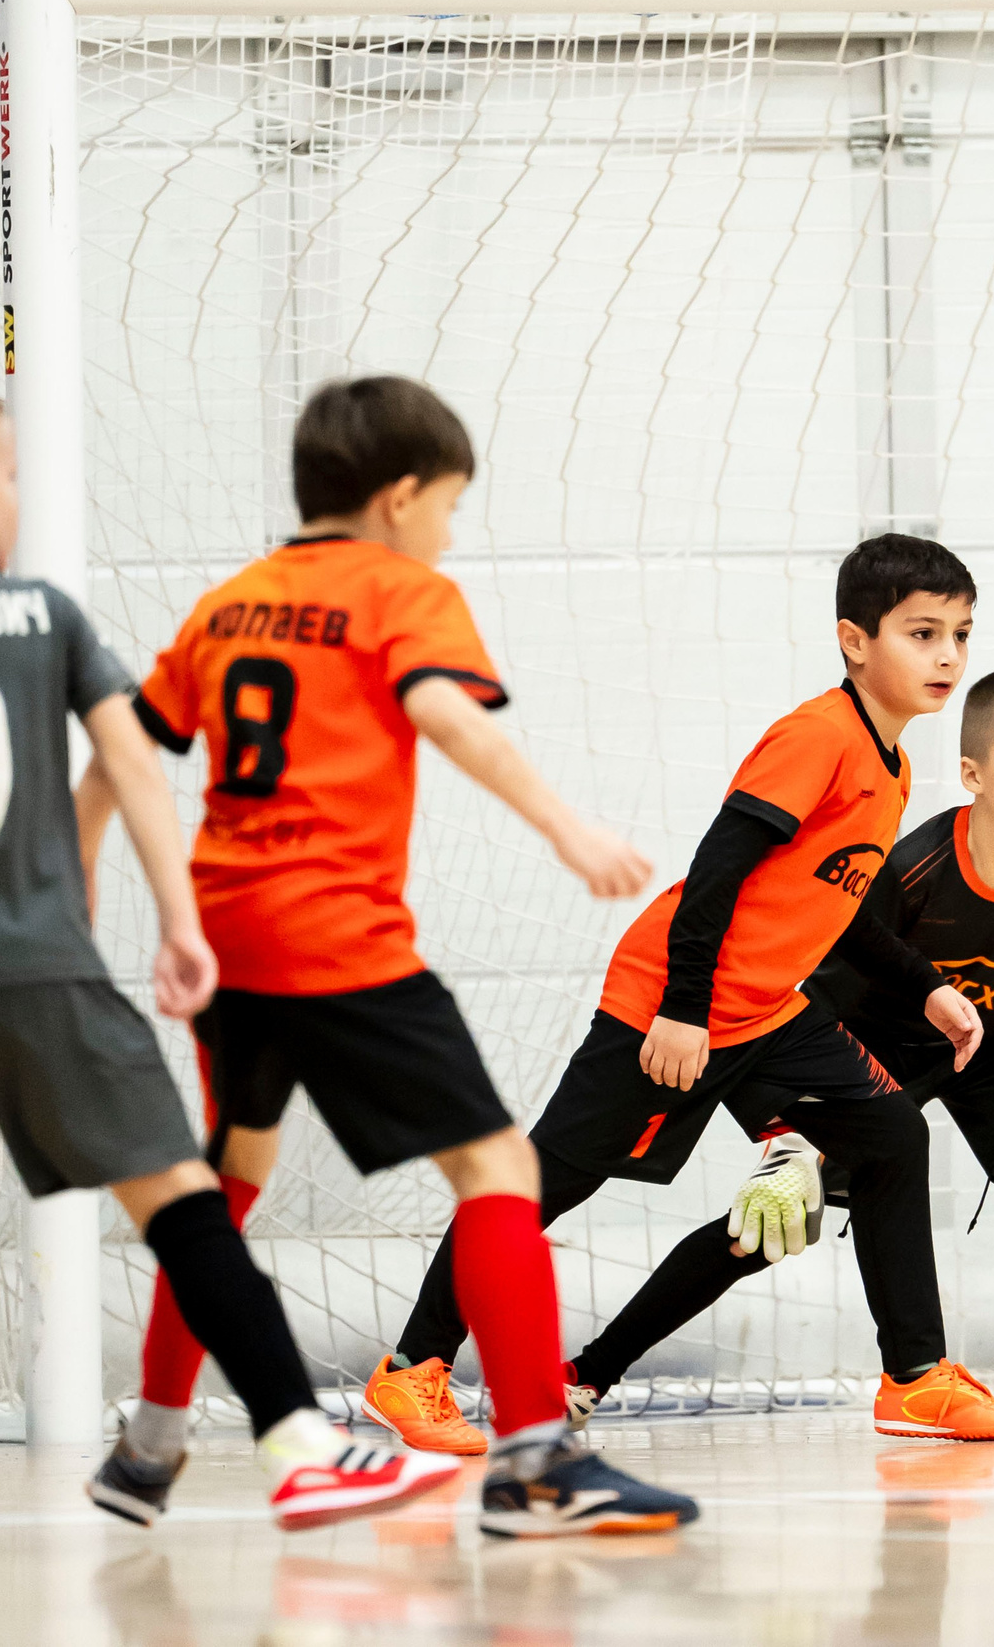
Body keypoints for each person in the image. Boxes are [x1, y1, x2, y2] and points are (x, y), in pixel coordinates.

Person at [0, 372, 457, 1552]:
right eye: (9, 477)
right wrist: (180, 921)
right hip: (44, 969)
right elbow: (134, 765)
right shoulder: (40, 615)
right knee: (181, 1205)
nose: (15, 497)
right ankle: (298, 1446)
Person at [75, 374, 697, 1538]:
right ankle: (537, 1462)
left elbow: (122, 746)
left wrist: (80, 879)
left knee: (221, 1187)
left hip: (230, 932)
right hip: (337, 937)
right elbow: (446, 715)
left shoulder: (230, 602)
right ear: (401, 498)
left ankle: (148, 1448)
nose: (450, 534)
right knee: (498, 1169)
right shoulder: (405, 589)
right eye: (450, 507)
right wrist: (569, 831)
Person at [366, 534, 994, 1452]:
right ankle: (412, 1369)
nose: (948, 654)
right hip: (672, 1003)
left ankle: (914, 1379)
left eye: (960, 633)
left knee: (891, 1135)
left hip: (771, 1011)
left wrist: (927, 989)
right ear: (854, 639)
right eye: (923, 633)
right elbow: (718, 868)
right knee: (543, 1184)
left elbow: (839, 904)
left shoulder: (894, 766)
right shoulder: (819, 736)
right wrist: (681, 1008)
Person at [536, 667, 994, 1424]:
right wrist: (790, 1134)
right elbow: (817, 991)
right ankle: (590, 1370)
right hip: (874, 1048)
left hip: (989, 1044)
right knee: (770, 1224)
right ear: (973, 774)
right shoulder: (911, 867)